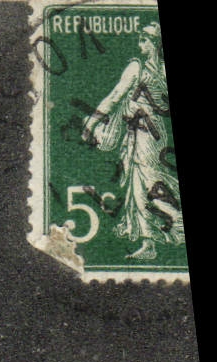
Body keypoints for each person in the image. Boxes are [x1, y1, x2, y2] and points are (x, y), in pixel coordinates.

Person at [82, 23, 183, 260]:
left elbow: (115, 96)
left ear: (154, 42)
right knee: (146, 179)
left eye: (144, 39)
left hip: (145, 133)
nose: (140, 44)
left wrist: (90, 124)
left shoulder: (137, 67)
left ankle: (151, 241)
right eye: (139, 39)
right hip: (151, 133)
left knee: (144, 181)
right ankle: (150, 236)